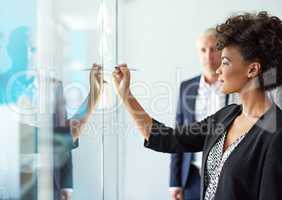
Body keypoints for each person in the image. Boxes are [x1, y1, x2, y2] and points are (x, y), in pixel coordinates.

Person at [113, 11, 282, 200]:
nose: (218, 69)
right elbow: (169, 138)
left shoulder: (276, 134)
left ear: (252, 69)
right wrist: (126, 95)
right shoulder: (227, 116)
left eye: (225, 62)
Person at [169, 28, 238, 200]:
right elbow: (178, 133)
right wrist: (174, 182)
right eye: (203, 50)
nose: (209, 56)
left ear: (222, 52)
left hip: (225, 174)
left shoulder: (235, 87)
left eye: (214, 49)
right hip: (191, 176)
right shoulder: (186, 87)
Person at [19, 64, 103, 200]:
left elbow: (61, 134)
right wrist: (94, 94)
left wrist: (65, 185)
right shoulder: (12, 131)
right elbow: (63, 137)